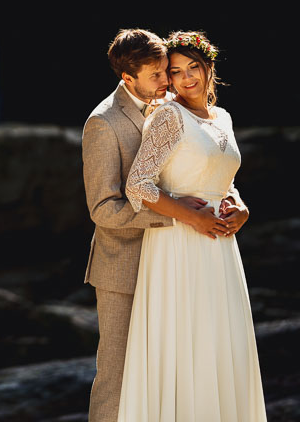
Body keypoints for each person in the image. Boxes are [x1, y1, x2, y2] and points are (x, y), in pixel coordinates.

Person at [81, 29, 246, 422]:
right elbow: (103, 208)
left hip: (184, 259)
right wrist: (177, 215)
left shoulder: (176, 105)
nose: (168, 82)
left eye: (166, 72)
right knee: (120, 377)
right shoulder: (103, 123)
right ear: (128, 78)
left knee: (191, 364)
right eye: (157, 75)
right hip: (125, 265)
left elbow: (206, 166)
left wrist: (235, 202)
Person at [117, 31, 264, 421]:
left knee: (222, 343)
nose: (185, 79)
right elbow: (138, 184)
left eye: (193, 68)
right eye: (175, 71)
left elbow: (223, 179)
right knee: (188, 344)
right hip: (178, 243)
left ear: (208, 68)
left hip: (220, 246)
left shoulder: (223, 118)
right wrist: (191, 216)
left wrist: (242, 208)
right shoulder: (168, 115)